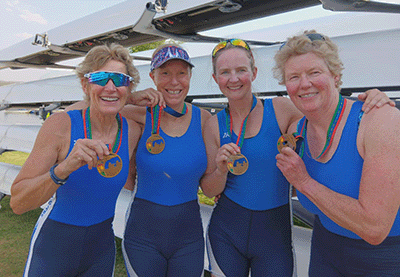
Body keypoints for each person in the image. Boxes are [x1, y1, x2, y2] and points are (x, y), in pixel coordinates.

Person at [200, 38, 394, 277]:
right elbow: (209, 190)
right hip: (231, 231)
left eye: (241, 70)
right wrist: (220, 170)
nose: (234, 78)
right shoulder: (215, 125)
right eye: (225, 72)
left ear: (254, 73)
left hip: (278, 234)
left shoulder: (283, 110)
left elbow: (327, 113)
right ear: (215, 77)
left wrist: (377, 99)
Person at [10, 43, 143, 276]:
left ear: (129, 87)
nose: (110, 86)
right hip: (54, 248)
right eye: (101, 78)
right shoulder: (61, 126)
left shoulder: (132, 132)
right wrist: (63, 169)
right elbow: (18, 202)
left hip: (100, 250)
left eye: (120, 79)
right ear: (84, 84)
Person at [274, 30, 400, 276]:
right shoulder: (297, 129)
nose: (304, 83)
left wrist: (303, 182)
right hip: (325, 247)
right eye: (294, 76)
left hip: (384, 256)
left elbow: (375, 228)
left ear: (336, 75)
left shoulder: (378, 120)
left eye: (314, 73)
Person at [121, 43, 211, 277]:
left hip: (188, 238)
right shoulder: (139, 114)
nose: (174, 82)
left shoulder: (204, 119)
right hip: (143, 235)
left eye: (181, 73)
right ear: (152, 76)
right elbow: (90, 110)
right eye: (165, 73)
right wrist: (130, 97)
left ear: (190, 76)